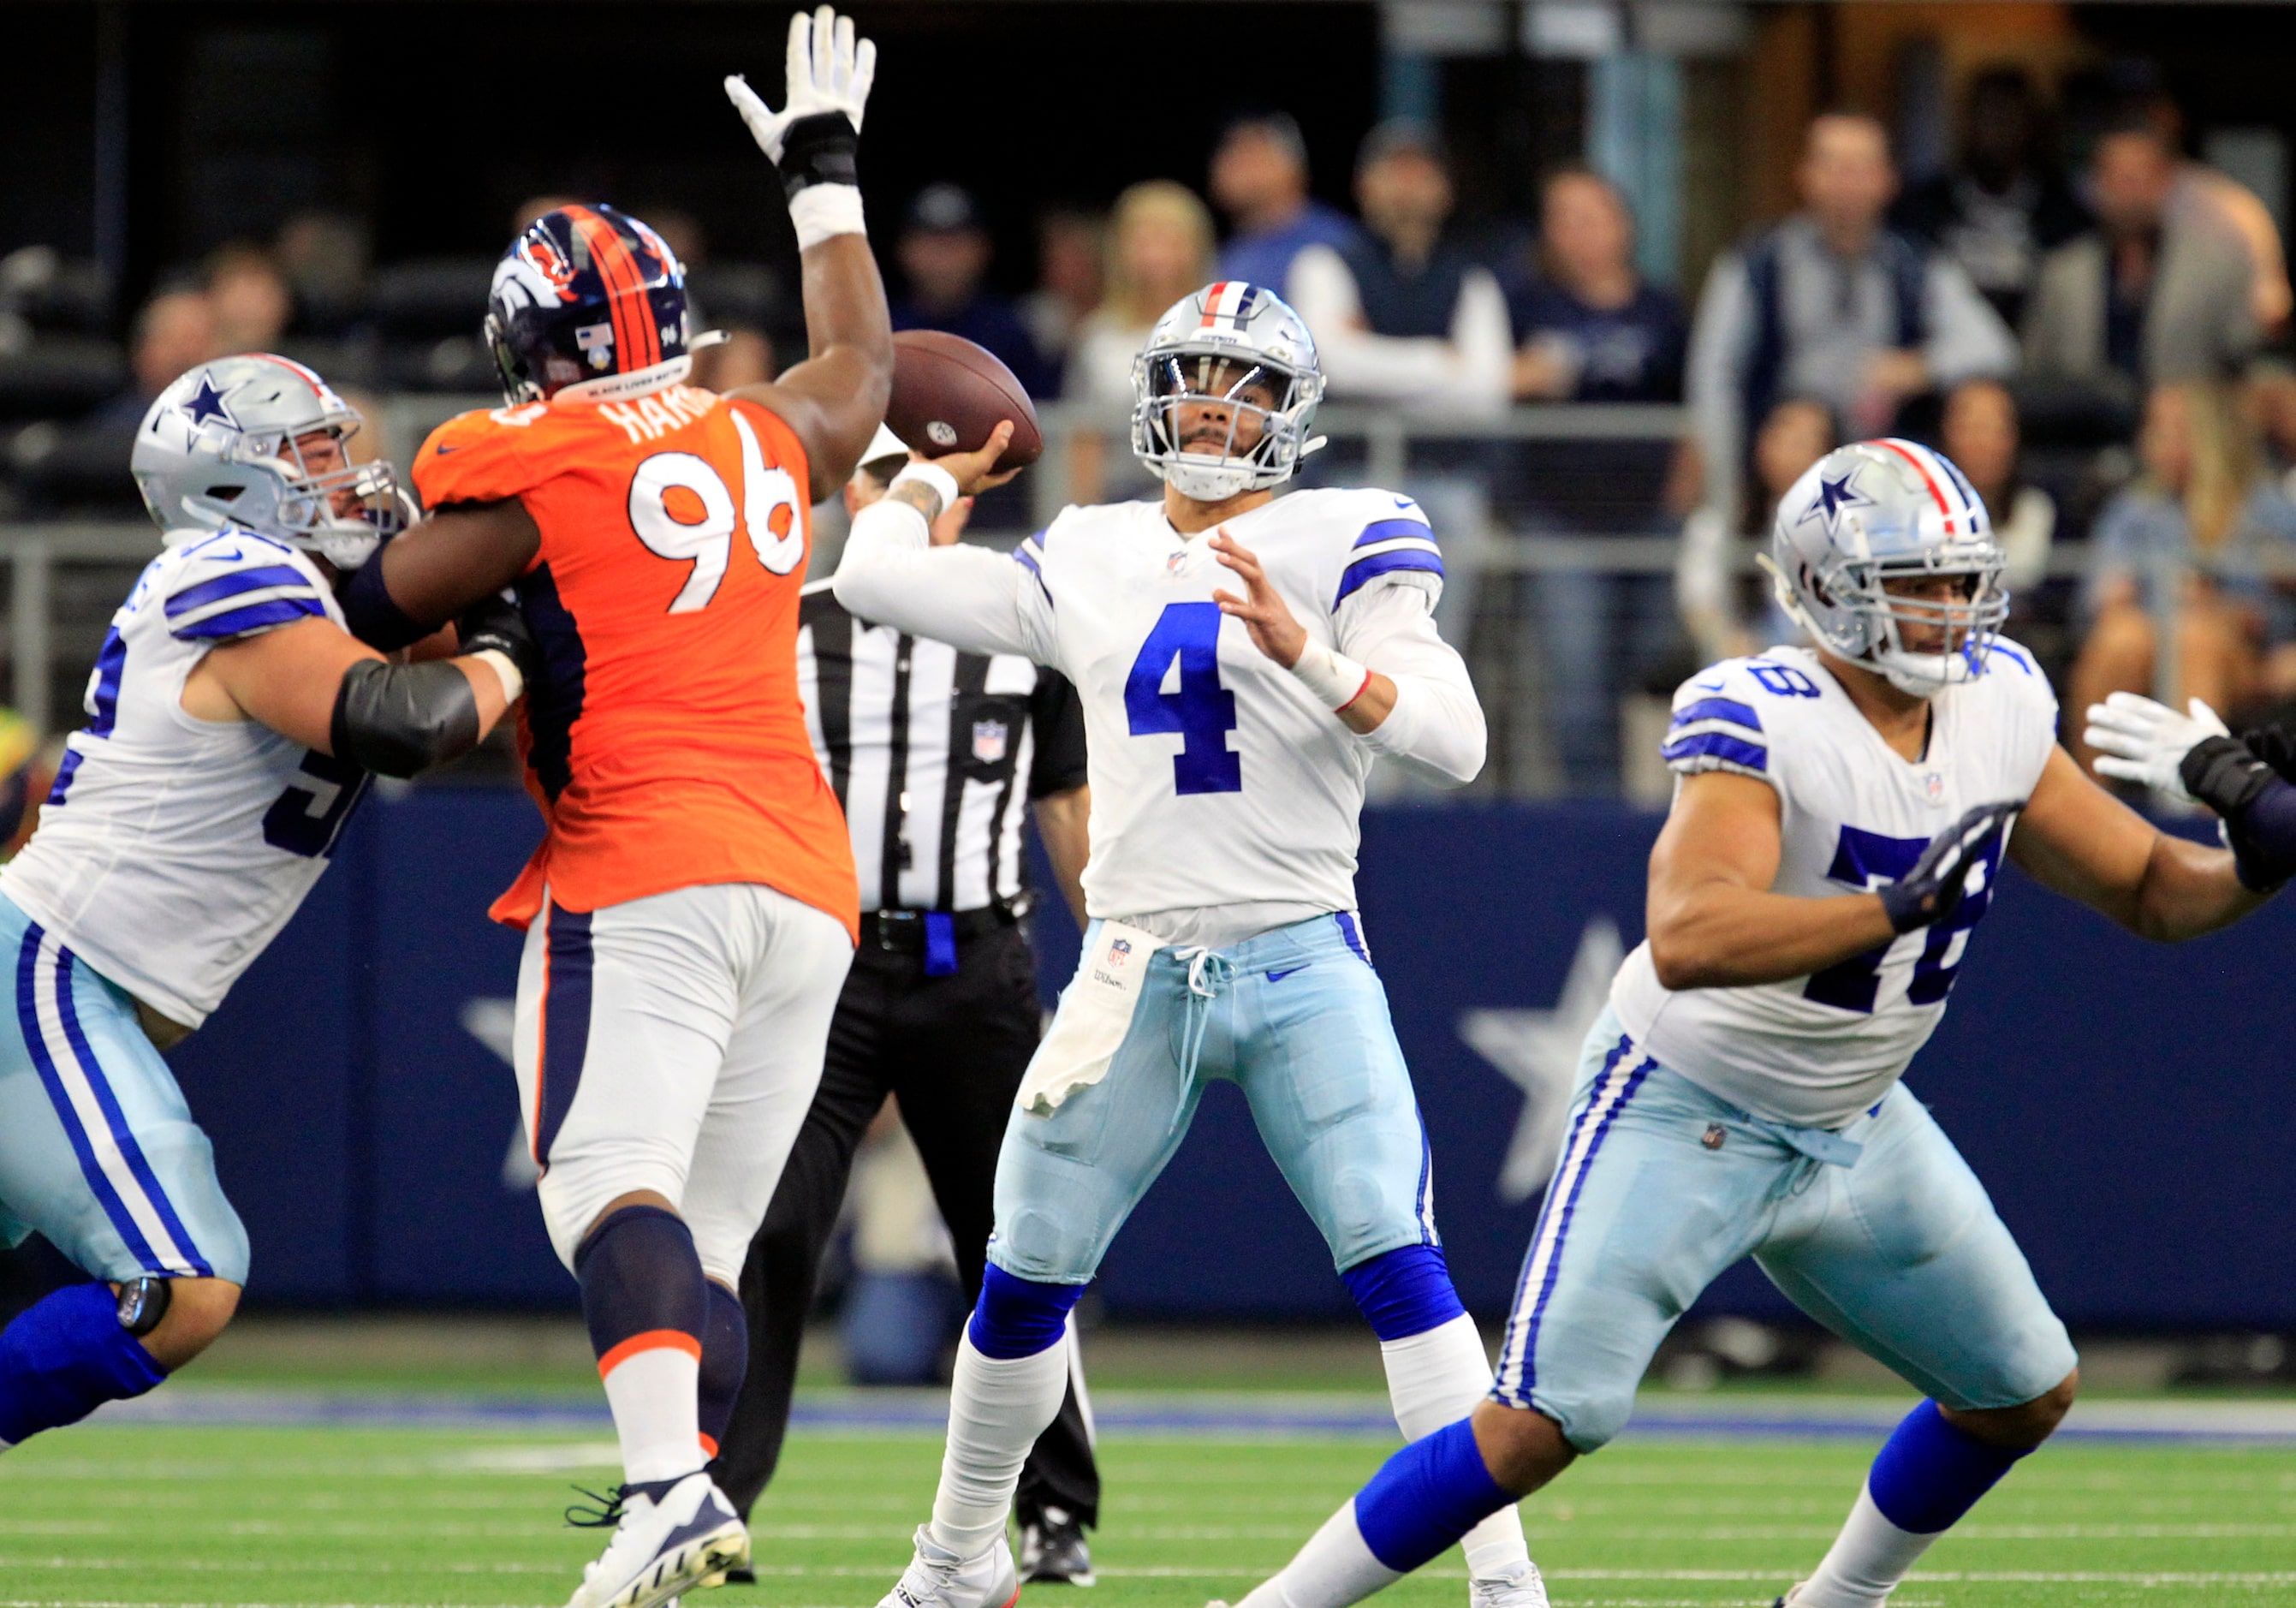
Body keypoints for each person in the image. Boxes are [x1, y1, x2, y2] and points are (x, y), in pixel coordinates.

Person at [1218, 434, 2277, 1608]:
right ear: (1829, 592)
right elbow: (1689, 934)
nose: (1947, 610)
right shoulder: (1761, 710)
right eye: (1914, 584)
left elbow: (2145, 888)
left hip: (1856, 1116)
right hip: (1689, 1105)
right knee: (1538, 1424)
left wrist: (2256, 851)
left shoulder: (2001, 700)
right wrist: (1884, 910)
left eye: (1956, 579)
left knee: (2020, 1390)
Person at [834, 282, 1544, 1608]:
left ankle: (1502, 1583)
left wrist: (1308, 656)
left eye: (1249, 386)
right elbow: (872, 577)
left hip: (1299, 954)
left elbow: (1457, 740)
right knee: (1021, 1272)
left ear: (1294, 413)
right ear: (1153, 399)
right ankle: (950, 1565)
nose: (1217, 408)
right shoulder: (1087, 549)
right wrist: (925, 473)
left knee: (1401, 1259)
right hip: (1133, 963)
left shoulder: (1350, 531)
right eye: (1196, 381)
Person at [329, 13, 895, 1604]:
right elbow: (860, 366)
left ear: (530, 337)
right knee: (701, 1250)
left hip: (644, 862)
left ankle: (663, 1488)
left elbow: (374, 604)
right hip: (806, 880)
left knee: (600, 1187)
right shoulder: (766, 424)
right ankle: (679, 1499)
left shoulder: (522, 452)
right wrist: (825, 180)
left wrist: (317, 564)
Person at [0, 354, 527, 1456]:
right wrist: (509, 656)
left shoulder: (301, 590)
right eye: (318, 453)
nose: (350, 474)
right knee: (180, 1281)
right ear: (231, 482)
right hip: (48, 972)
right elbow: (406, 723)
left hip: (71, 985)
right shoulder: (228, 566)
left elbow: (429, 644)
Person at [709, 426, 1103, 1587]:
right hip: (826, 966)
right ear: (850, 490)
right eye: (881, 477)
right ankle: (714, 1498)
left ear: (965, 499)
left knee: (1016, 1242)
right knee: (772, 1224)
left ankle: (1056, 1503)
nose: (902, 500)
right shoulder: (789, 625)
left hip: (975, 963)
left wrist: (1123, 962)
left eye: (921, 480)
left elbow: (1067, 813)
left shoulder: (1027, 634)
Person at [1686, 113, 2016, 527]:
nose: (1847, 184)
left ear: (1888, 180)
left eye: (1861, 169)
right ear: (1805, 175)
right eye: (1834, 167)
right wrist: (1726, 489)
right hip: (1783, 475)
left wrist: (1919, 366)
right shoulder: (1756, 264)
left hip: (1892, 483)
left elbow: (1994, 347)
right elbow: (1714, 376)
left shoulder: (1915, 265)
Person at [2067, 380, 2296, 769]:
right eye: (2153, 428)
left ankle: (2197, 813)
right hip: (2148, 644)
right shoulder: (2132, 510)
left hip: (2243, 656)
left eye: (2172, 428)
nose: (2157, 440)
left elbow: (2277, 604)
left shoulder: (2266, 508)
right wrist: (2115, 596)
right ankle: (2090, 805)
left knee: (2196, 636)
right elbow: (2094, 602)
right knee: (2121, 636)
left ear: (2208, 436)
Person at [2022, 116, 2257, 414]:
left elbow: (2244, 365)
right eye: (2118, 178)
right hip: (2084, 438)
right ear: (2097, 183)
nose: (2130, 192)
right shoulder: (2061, 272)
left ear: (2165, 181)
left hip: (2187, 437)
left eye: (2141, 177)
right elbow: (2034, 372)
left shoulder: (2216, 266)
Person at [1890, 67, 2089, 331]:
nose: (1995, 131)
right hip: (1946, 346)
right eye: (1986, 116)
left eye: (2007, 117)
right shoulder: (1922, 207)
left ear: (2029, 126)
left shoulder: (2064, 213)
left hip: (2036, 350)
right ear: (1966, 123)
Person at [1065, 182, 1217, 503]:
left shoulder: (1225, 332)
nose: (1157, 254)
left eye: (1171, 239)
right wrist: (1082, 519)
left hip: (1214, 496)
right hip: (1121, 503)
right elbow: (1085, 441)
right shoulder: (1098, 338)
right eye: (1144, 239)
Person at [1509, 167, 1686, 404]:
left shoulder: (1664, 310)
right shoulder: (1524, 306)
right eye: (1564, 222)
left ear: (1622, 224)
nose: (1579, 236)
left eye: (1588, 220)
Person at [892, 183, 1052, 398]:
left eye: (955, 245)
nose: (943, 259)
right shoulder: (883, 330)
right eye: (931, 244)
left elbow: (1040, 411)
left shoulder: (1009, 333)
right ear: (904, 250)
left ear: (982, 250)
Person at [1210, 112, 1360, 293]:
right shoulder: (1230, 254)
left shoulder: (1336, 242)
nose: (1236, 168)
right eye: (1231, 157)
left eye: (1252, 157)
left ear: (1294, 167)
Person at [1939, 379, 2053, 593]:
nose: (1982, 443)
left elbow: (2021, 582)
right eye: (1970, 428)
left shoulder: (2034, 510)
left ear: (2014, 438)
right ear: (1946, 432)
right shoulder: (1920, 514)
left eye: (1994, 429)